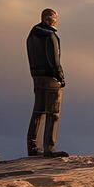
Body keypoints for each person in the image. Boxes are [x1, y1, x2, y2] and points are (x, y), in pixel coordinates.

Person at [26, 8, 69, 158]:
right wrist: (60, 77)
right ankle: (49, 148)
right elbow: (54, 61)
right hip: (51, 79)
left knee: (38, 112)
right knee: (53, 113)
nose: (54, 21)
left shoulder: (31, 35)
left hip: (37, 77)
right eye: (53, 18)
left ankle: (32, 147)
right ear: (46, 19)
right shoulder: (50, 36)